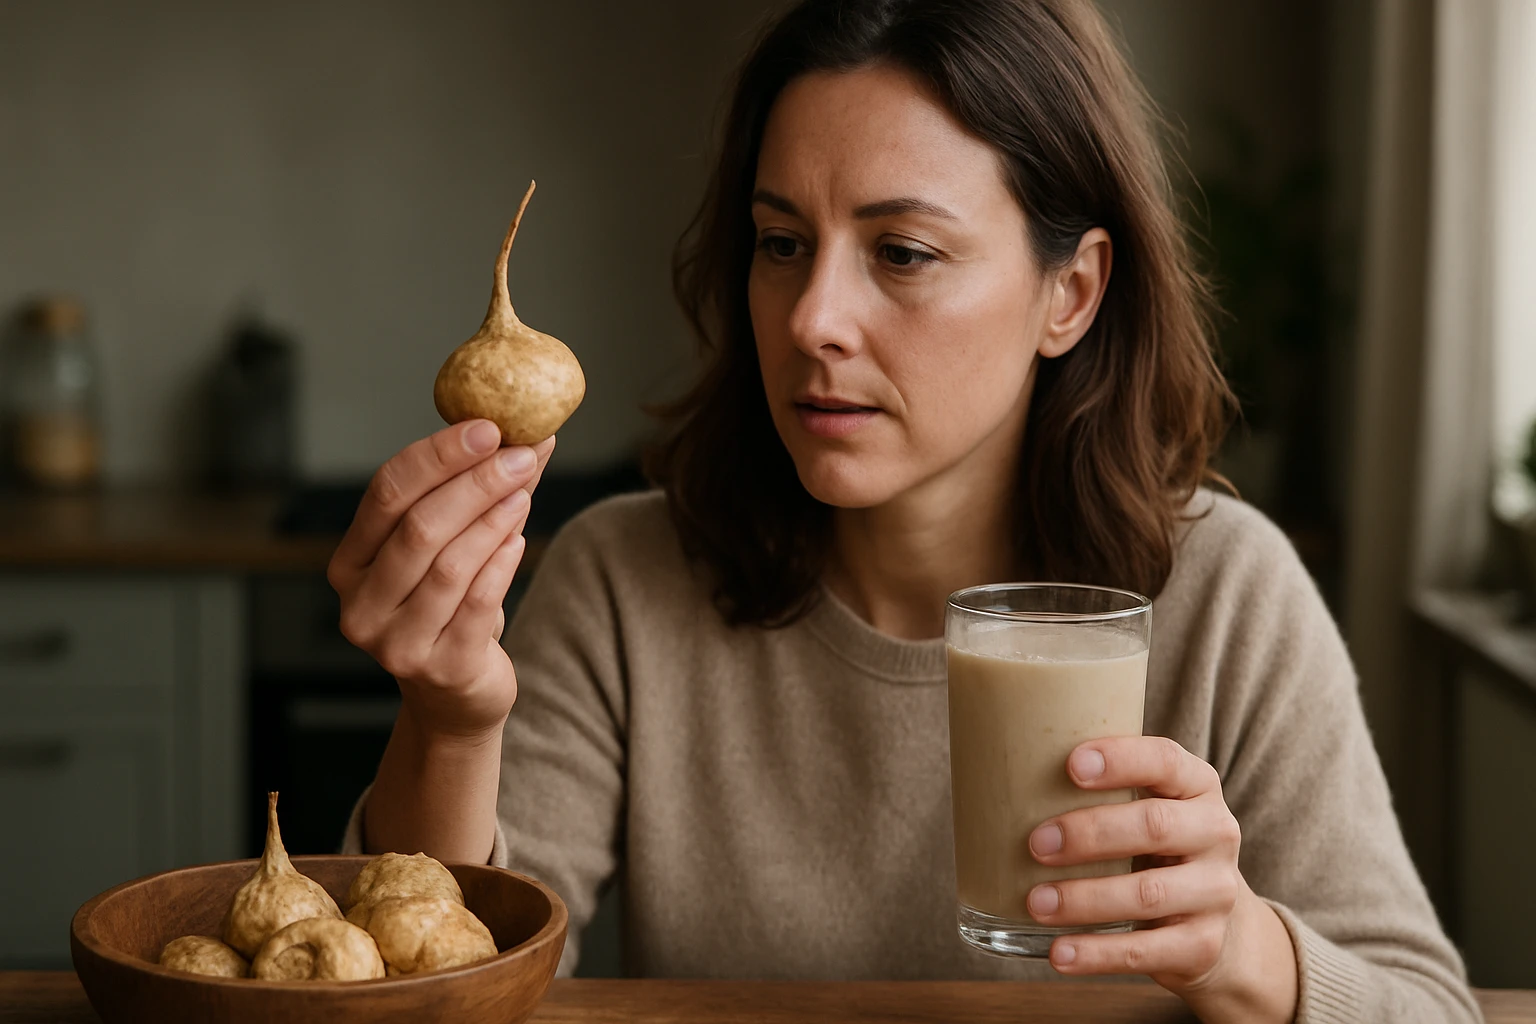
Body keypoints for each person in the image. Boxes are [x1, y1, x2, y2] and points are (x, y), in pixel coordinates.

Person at [329, 1, 1480, 1020]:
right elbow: (429, 994)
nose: (812, 317)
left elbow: (1429, 1007)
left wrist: (1244, 951)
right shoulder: (623, 581)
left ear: (1068, 294)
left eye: (904, 252)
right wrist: (450, 719)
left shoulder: (1229, 597)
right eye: (782, 243)